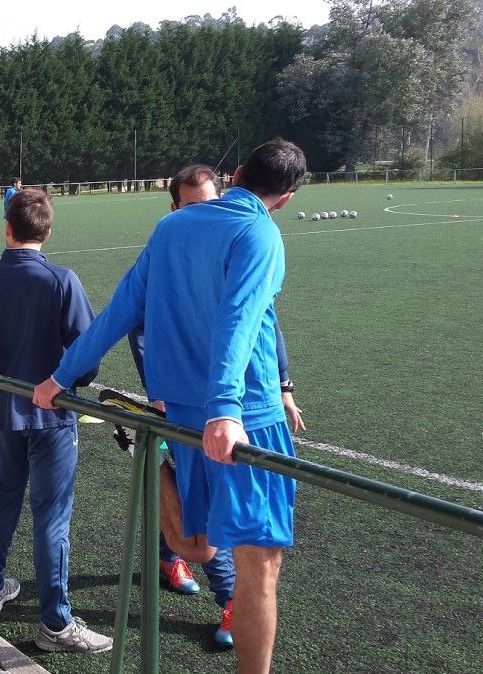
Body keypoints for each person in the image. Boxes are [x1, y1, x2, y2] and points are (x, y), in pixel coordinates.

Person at [33, 139, 306, 674]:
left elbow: (119, 310)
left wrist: (60, 375)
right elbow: (239, 319)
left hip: (182, 416)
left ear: (235, 173)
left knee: (198, 549)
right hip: (246, 419)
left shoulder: (171, 227)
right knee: (260, 571)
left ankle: (151, 454)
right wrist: (225, 408)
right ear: (288, 198)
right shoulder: (260, 233)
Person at [130, 164, 308, 649]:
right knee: (200, 530)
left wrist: (284, 388)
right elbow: (140, 324)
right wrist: (160, 392)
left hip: (229, 404)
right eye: (192, 207)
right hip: (187, 403)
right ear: (174, 209)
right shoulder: (172, 244)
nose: (205, 213)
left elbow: (260, 322)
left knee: (225, 527)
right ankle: (185, 559)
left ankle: (226, 597)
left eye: (210, 202)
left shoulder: (239, 238)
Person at [0, 188, 113, 653]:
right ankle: (56, 625)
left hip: (4, 411)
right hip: (52, 417)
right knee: (52, 517)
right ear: (48, 232)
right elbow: (86, 362)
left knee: (2, 499)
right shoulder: (61, 280)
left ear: (7, 228)